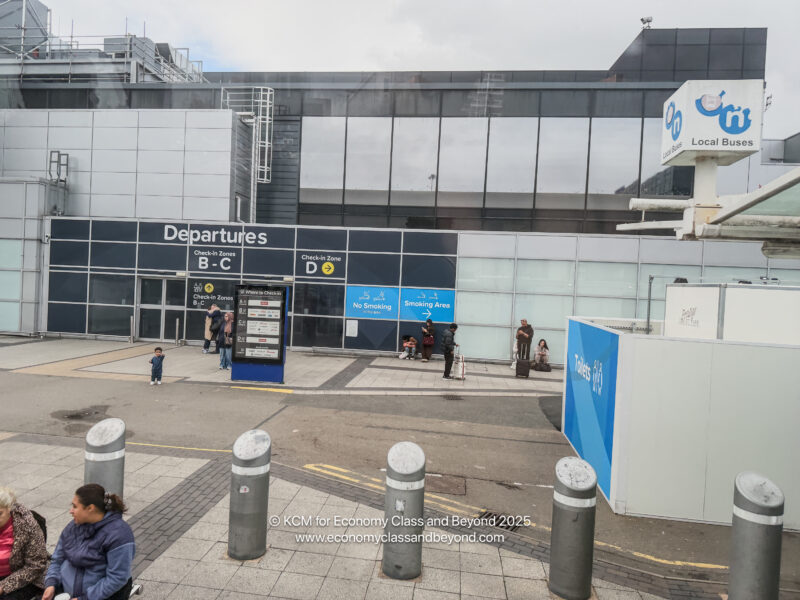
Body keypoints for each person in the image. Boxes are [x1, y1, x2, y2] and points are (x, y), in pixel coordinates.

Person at [43, 484, 135, 600]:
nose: (71, 511)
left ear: (90, 508)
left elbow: (117, 578)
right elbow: (57, 559)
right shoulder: (73, 526)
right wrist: (51, 583)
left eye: (75, 506)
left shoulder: (119, 535)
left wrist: (84, 598)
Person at [0, 486, 48, 600]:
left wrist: (4, 586)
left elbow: (36, 565)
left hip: (22, 579)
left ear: (9, 508)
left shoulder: (27, 524)